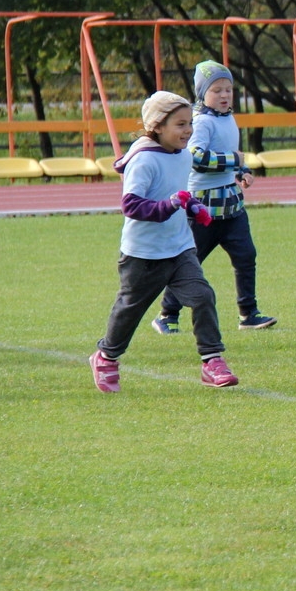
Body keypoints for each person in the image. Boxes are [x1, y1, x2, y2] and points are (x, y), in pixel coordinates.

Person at [88, 91, 237, 393]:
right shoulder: (143, 161)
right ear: (157, 126)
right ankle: (106, 357)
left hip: (180, 247)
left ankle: (212, 361)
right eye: (180, 125)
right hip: (143, 255)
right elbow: (131, 206)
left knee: (202, 296)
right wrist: (169, 205)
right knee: (129, 310)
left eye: (190, 123)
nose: (188, 131)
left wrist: (191, 205)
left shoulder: (182, 155)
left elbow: (176, 192)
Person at [153, 61, 274, 337]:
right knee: (189, 263)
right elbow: (195, 158)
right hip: (203, 208)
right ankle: (167, 314)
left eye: (229, 89)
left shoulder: (227, 118)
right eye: (216, 90)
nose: (224, 95)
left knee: (246, 256)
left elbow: (230, 153)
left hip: (231, 206)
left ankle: (249, 313)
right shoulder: (201, 121)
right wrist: (235, 160)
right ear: (202, 93)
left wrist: (242, 171)